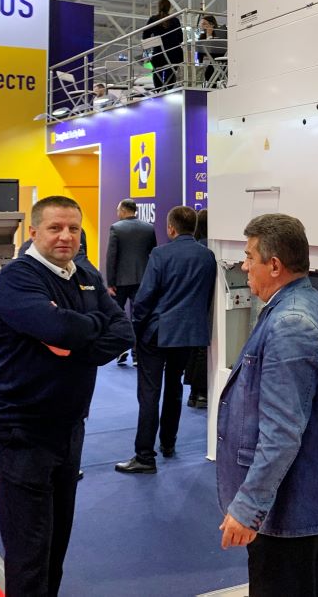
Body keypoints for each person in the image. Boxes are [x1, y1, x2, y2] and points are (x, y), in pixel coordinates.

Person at [0, 196, 133, 597]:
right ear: (34, 232)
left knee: (55, 545)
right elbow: (59, 328)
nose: (66, 236)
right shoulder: (17, 278)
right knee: (29, 551)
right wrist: (85, 327)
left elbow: (123, 331)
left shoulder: (85, 273)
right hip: (21, 429)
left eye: (73, 228)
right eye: (55, 228)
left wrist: (75, 339)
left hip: (69, 427)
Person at [217, 214, 318, 597]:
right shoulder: (308, 304)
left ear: (275, 265)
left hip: (290, 507)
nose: (243, 266)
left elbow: (281, 432)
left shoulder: (291, 322)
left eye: (250, 257)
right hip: (301, 500)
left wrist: (248, 507)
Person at [115, 206, 216, 473]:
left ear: (171, 228)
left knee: (149, 393)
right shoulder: (208, 256)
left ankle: (145, 456)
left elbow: (144, 297)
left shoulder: (160, 254)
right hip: (187, 334)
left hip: (157, 332)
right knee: (174, 388)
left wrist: (137, 329)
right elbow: (206, 297)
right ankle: (168, 443)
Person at [105, 199, 157, 365]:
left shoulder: (116, 228)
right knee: (139, 317)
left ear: (123, 211)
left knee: (117, 315)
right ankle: (137, 355)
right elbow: (153, 253)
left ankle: (120, 349)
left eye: (118, 210)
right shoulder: (148, 228)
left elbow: (111, 257)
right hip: (142, 280)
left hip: (119, 282)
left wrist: (110, 282)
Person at [185, 209, 209, 408]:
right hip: (208, 304)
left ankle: (194, 392)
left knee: (195, 349)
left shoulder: (195, 247)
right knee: (203, 350)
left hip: (192, 305)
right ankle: (201, 392)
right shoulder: (210, 248)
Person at [142, 0, 183, 88]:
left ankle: (159, 90)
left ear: (158, 7)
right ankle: (169, 89)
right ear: (169, 8)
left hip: (159, 55)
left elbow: (145, 37)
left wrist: (154, 41)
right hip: (175, 55)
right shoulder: (175, 20)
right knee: (171, 72)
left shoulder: (153, 19)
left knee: (156, 71)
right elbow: (181, 39)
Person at [196, 15, 227, 84]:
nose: (202, 26)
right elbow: (200, 54)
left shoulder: (220, 36)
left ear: (212, 25)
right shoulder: (201, 38)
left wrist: (209, 35)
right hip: (207, 65)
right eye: (201, 24)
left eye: (204, 24)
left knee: (211, 71)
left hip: (217, 62)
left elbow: (213, 51)